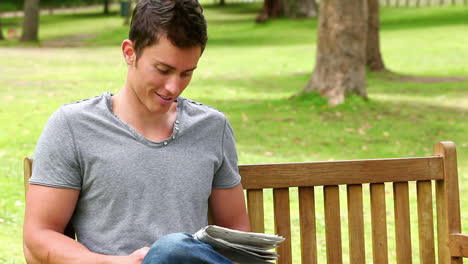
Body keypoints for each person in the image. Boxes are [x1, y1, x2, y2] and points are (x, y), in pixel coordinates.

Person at [23, 0, 250, 263]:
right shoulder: (74, 126)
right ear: (130, 52)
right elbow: (40, 235)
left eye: (187, 73)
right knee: (169, 249)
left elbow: (235, 231)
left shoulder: (212, 128)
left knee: (172, 250)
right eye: (163, 70)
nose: (173, 87)